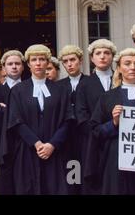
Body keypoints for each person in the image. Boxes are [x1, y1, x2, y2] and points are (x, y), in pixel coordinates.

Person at [5, 44, 74, 194]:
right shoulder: (18, 90)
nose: (38, 63)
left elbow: (68, 120)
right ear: (28, 64)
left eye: (42, 59)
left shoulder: (61, 90)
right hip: (27, 151)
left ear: (48, 63)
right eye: (34, 60)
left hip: (55, 151)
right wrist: (36, 144)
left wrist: (52, 144)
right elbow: (16, 121)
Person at [89, 48, 135, 194]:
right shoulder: (107, 97)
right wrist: (114, 123)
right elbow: (95, 131)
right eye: (127, 63)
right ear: (119, 68)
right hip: (116, 160)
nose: (133, 68)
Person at [75, 38, 116, 194]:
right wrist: (96, 132)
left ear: (112, 56)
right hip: (92, 141)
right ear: (92, 58)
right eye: (98, 53)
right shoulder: (84, 83)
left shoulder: (120, 80)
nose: (102, 56)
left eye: (106, 53)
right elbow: (81, 112)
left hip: (117, 139)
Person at [0, 50, 24, 194]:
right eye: (10, 64)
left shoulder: (30, 89)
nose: (14, 66)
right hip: (2, 145)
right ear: (3, 67)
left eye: (17, 63)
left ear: (23, 66)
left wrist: (4, 110)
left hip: (25, 145)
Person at [56, 44, 85, 194]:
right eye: (65, 61)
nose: (69, 64)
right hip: (66, 139)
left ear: (80, 61)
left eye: (72, 60)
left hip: (85, 137)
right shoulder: (58, 86)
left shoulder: (90, 82)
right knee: (69, 176)